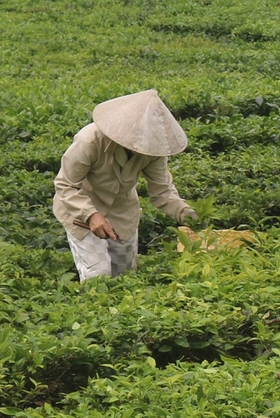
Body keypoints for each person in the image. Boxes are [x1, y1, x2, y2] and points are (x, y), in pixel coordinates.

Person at [52, 90, 198, 281]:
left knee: (125, 278)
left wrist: (189, 215)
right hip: (81, 209)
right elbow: (65, 184)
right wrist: (91, 215)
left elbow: (162, 192)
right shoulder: (90, 140)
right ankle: (92, 310)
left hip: (123, 213)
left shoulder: (153, 150)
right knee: (98, 276)